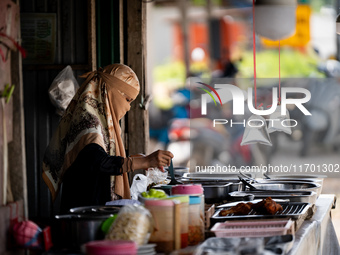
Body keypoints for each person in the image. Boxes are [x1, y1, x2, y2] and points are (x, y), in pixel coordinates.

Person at [42, 64, 173, 213]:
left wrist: (137, 160)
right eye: (127, 99)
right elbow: (99, 162)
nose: (128, 107)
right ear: (111, 92)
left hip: (92, 207)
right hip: (86, 213)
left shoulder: (100, 119)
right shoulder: (89, 122)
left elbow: (100, 158)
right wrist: (145, 161)